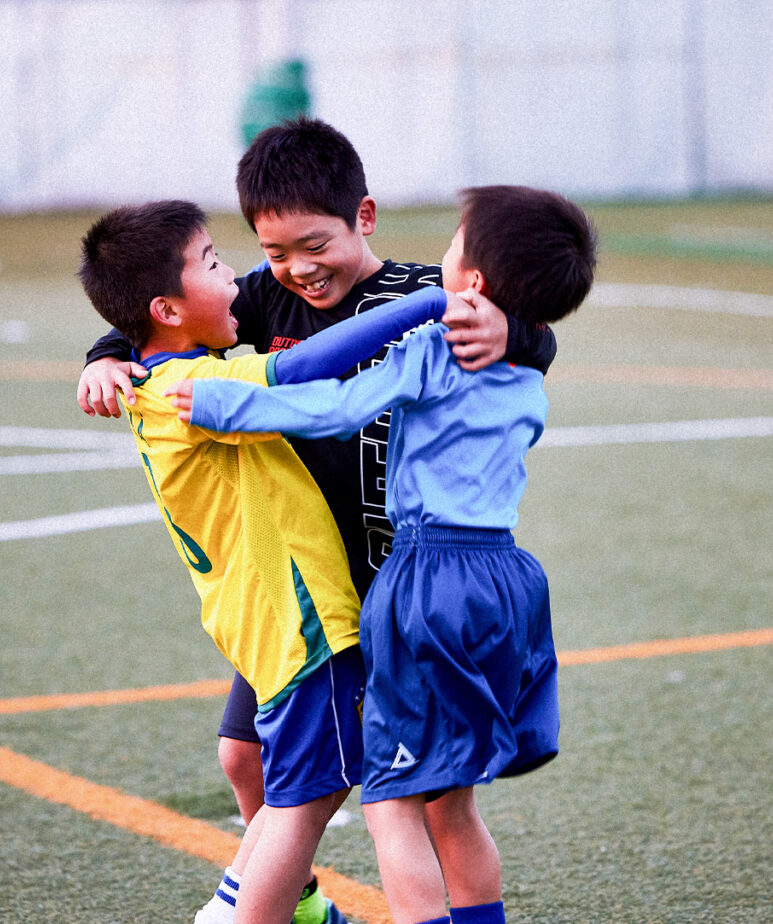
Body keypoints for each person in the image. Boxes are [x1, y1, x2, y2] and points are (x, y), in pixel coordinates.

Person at [75, 122, 558, 897]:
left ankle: (278, 903)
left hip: (390, 579)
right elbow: (165, 310)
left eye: (314, 245)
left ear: (362, 219)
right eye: (272, 254)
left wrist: (519, 333)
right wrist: (105, 353)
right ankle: (292, 903)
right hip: (303, 577)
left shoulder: (414, 293)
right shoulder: (265, 296)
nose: (298, 271)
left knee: (425, 799)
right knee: (245, 758)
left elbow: (528, 340)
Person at [169, 185, 598, 924]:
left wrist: (218, 405)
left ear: (475, 283)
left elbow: (338, 405)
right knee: (451, 805)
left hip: (426, 582)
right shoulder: (524, 373)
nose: (448, 249)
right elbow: (530, 338)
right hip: (508, 580)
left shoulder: (436, 347)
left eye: (459, 240)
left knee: (392, 804)